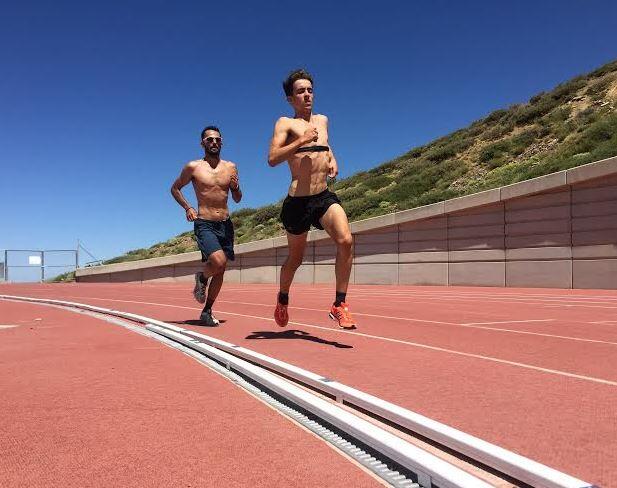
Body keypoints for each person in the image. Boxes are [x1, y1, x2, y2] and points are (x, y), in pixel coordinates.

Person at [268, 69, 356, 330]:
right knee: (296, 259)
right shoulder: (285, 124)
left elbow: (327, 145)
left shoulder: (323, 120)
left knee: (346, 240)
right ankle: (282, 298)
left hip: (322, 196)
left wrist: (332, 159)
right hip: (297, 202)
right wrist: (301, 140)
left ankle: (339, 304)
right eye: (300, 91)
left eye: (309, 90)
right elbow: (272, 158)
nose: (307, 95)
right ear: (290, 98)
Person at [171, 125, 242, 326]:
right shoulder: (193, 167)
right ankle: (201, 278)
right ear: (203, 143)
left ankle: (207, 311)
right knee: (218, 262)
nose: (214, 143)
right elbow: (175, 188)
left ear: (222, 142)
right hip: (204, 223)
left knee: (221, 269)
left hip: (226, 223)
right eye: (210, 139)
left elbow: (237, 198)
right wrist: (187, 207)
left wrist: (236, 188)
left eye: (217, 139)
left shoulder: (231, 167)